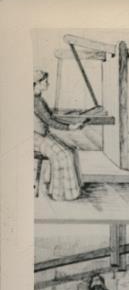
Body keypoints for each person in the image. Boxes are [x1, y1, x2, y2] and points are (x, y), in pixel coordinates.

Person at [33, 70, 86, 202]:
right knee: (64, 155)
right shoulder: (36, 102)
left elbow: (49, 117)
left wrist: (70, 122)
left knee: (71, 151)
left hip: (42, 136)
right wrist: (70, 127)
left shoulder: (39, 99)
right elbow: (50, 121)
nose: (48, 84)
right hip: (36, 138)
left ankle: (67, 189)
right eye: (45, 82)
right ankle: (61, 193)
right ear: (37, 84)